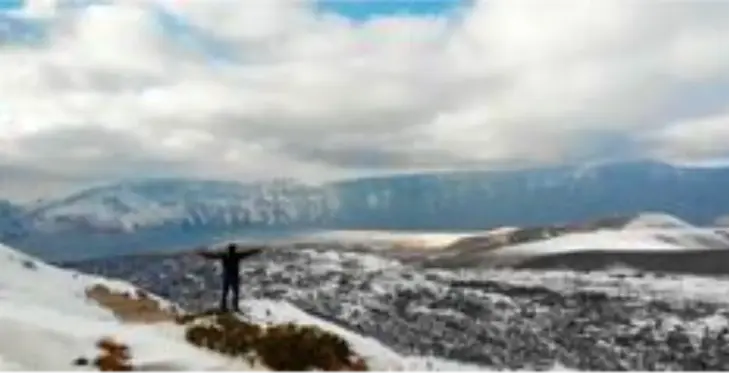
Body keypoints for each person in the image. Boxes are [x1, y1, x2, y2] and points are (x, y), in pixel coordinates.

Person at [196, 243, 263, 312]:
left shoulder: (225, 256)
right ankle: (234, 307)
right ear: (234, 250)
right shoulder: (236, 256)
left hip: (227, 277)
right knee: (234, 293)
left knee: (226, 293)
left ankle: (224, 307)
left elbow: (213, 256)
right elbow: (248, 253)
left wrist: (203, 254)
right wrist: (257, 250)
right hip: (233, 277)